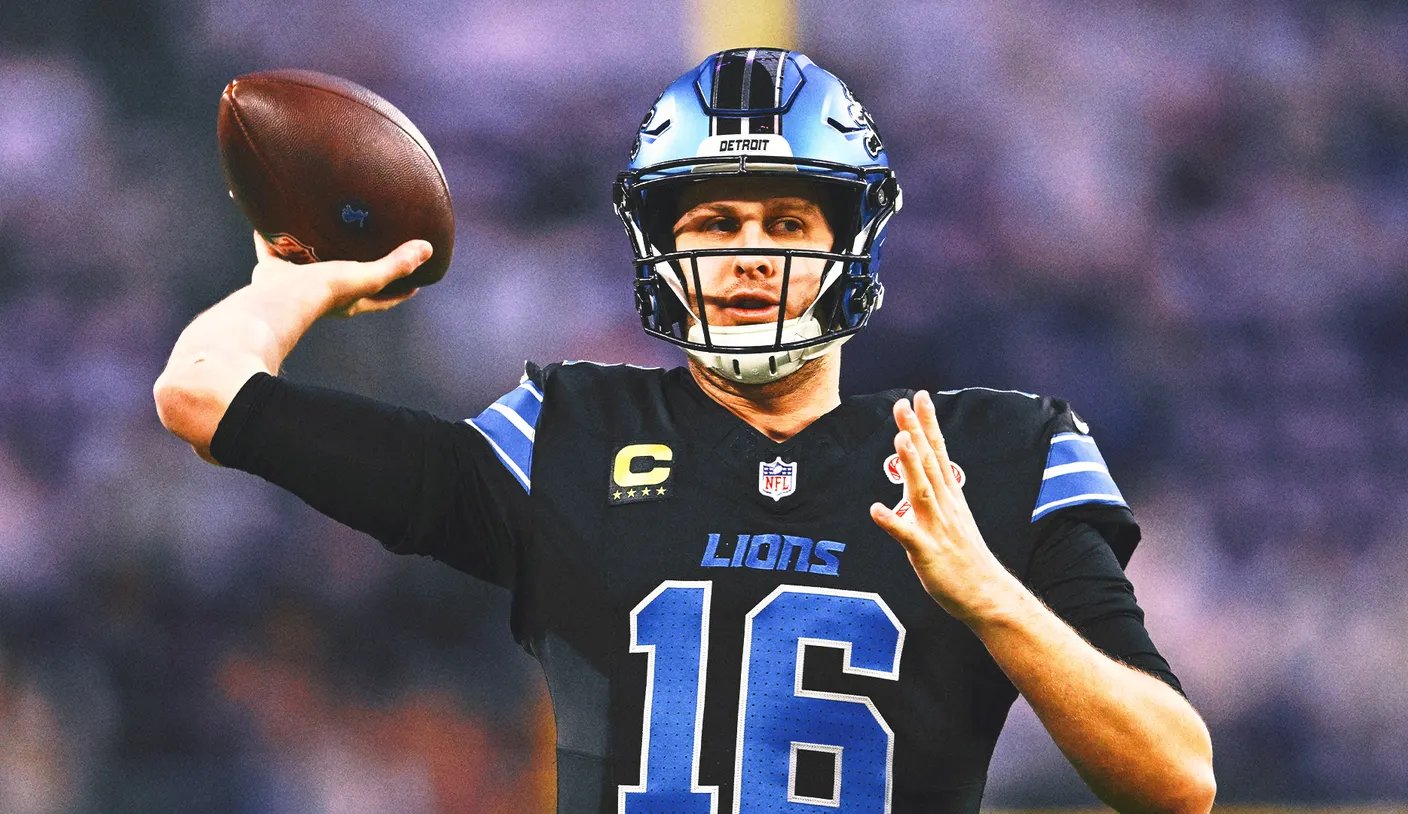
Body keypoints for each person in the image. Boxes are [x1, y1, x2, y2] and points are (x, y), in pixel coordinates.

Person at [154, 48, 1215, 813]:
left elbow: (1176, 776)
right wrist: (294, 281)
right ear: (661, 247)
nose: (750, 253)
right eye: (714, 221)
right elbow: (202, 395)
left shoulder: (983, 458)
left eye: (788, 221)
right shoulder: (569, 434)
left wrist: (990, 596)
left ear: (852, 246)